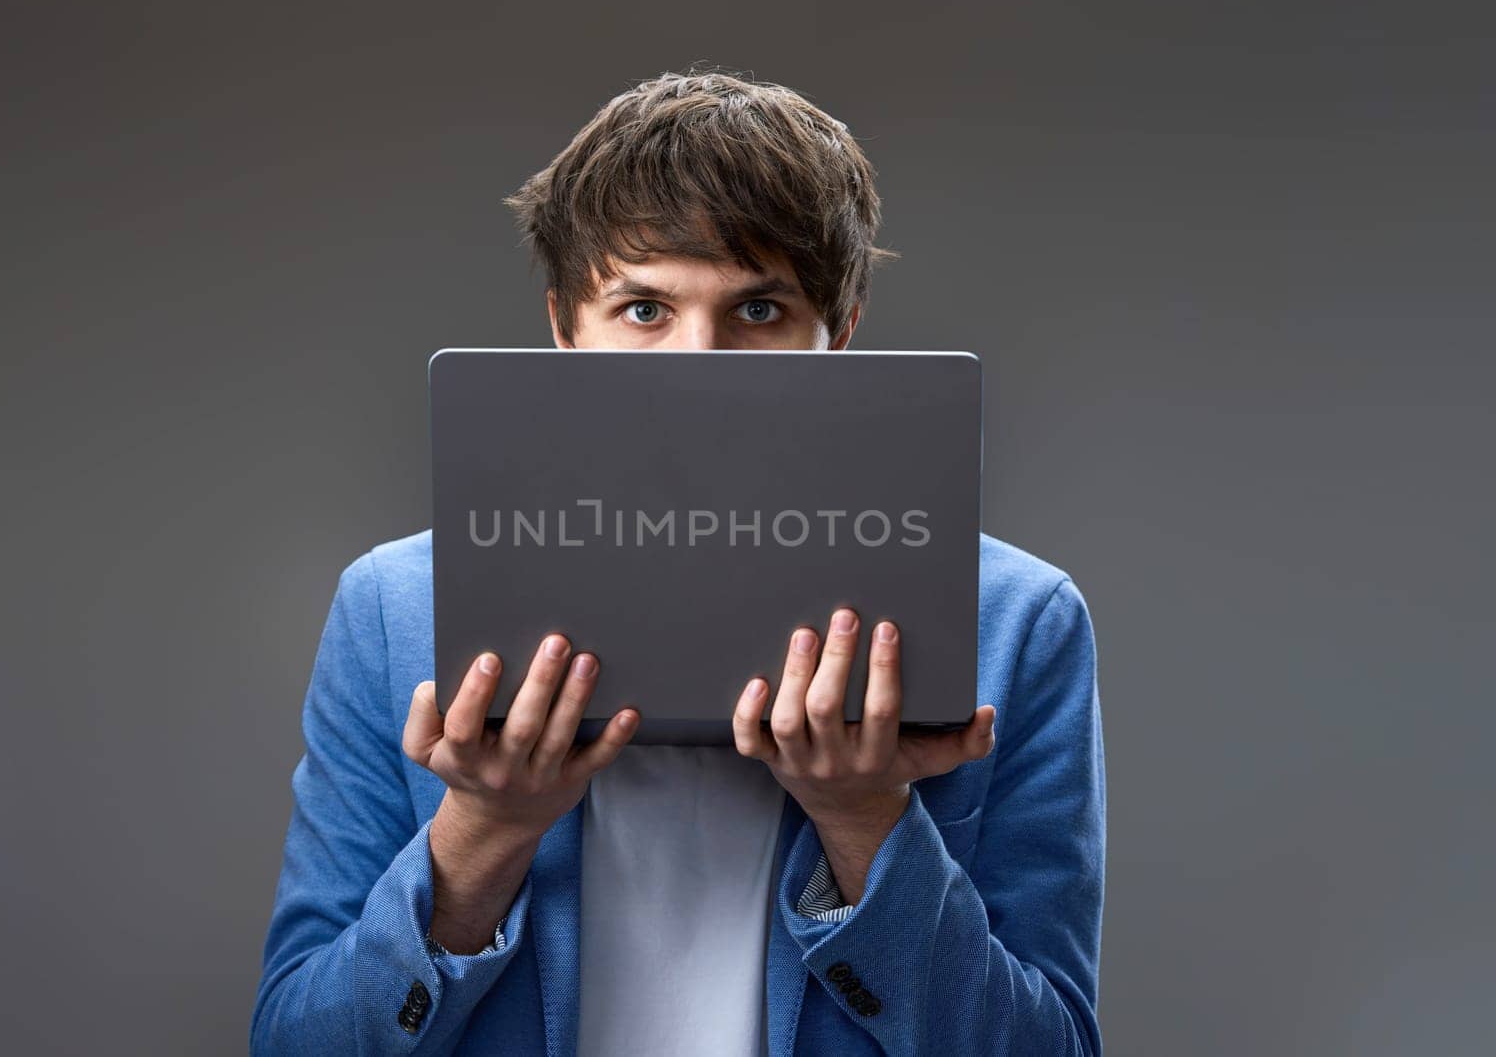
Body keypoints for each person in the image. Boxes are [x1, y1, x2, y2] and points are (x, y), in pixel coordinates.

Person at [251, 68, 1105, 1056]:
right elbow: (297, 1042)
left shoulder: (1016, 620)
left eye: (757, 312)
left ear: (842, 334)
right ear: (566, 326)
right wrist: (483, 829)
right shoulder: (395, 607)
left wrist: (866, 820)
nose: (696, 360)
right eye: (644, 309)